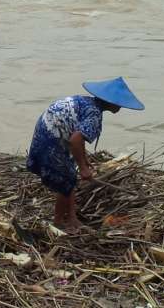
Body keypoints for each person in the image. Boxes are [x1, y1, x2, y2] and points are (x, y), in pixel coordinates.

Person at [26, 77, 144, 231]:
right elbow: (76, 139)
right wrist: (83, 168)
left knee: (70, 178)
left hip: (44, 131)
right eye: (119, 103)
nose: (120, 107)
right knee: (66, 181)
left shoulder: (85, 102)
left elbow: (76, 138)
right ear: (110, 102)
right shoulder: (94, 115)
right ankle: (59, 222)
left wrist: (84, 160)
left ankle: (72, 218)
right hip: (52, 139)